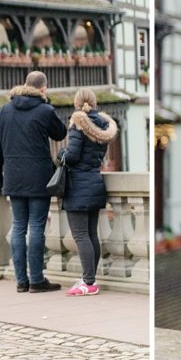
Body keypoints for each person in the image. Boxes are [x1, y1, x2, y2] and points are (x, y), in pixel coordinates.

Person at [0, 70, 68, 293]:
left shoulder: (5, 110)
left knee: (18, 227)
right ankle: (36, 280)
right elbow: (60, 133)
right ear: (43, 88)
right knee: (36, 228)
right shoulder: (45, 110)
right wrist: (47, 102)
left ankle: (21, 281)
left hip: (13, 177)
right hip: (38, 177)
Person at [60, 88, 118, 296]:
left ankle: (89, 282)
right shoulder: (103, 125)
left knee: (81, 235)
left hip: (78, 185)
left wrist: (62, 154)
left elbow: (73, 155)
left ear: (77, 103)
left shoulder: (79, 123)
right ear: (95, 103)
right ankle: (89, 278)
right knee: (92, 234)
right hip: (95, 181)